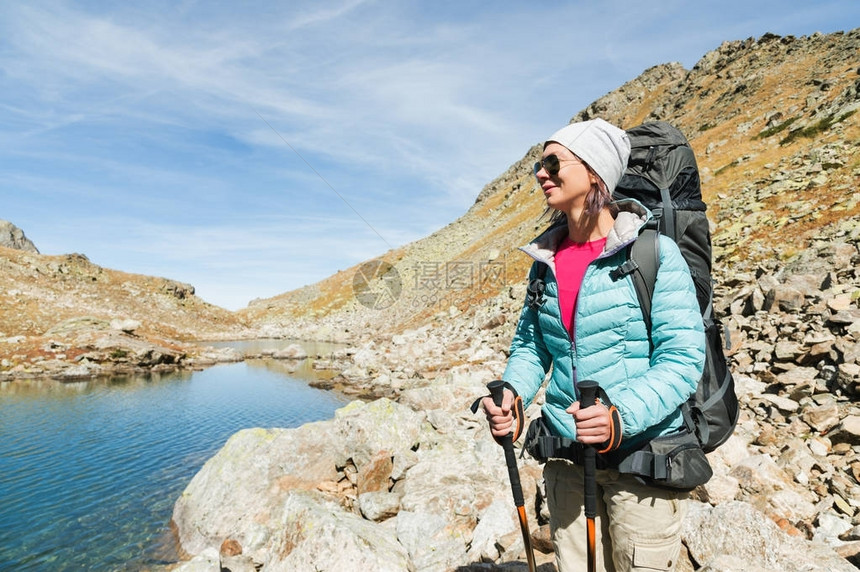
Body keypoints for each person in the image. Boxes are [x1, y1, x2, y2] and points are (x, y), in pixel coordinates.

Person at [482, 118, 706, 572]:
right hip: (567, 459)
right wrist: (513, 397)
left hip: (641, 459)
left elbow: (682, 358)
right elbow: (531, 347)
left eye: (552, 162)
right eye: (538, 165)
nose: (541, 174)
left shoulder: (654, 254)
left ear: (595, 172)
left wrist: (617, 417)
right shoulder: (545, 263)